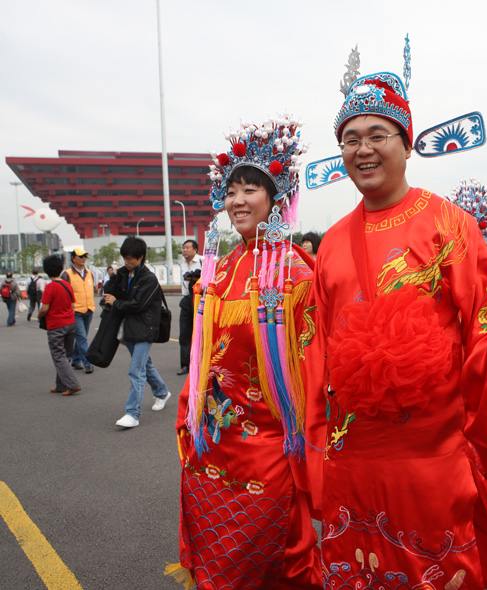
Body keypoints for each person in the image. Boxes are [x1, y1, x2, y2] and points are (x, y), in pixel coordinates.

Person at [309, 72, 487, 589]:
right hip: (353, 447)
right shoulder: (332, 242)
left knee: (437, 566)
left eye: (377, 135)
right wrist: (317, 436)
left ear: (406, 145)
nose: (363, 149)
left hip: (431, 441)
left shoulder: (448, 223)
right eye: (350, 139)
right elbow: (317, 346)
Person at [169, 118, 320, 588]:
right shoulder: (220, 269)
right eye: (231, 190)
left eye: (250, 188)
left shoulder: (296, 274)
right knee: (216, 550)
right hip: (214, 438)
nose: (237, 200)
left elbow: (314, 369)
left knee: (268, 554)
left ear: (275, 199)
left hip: (268, 446)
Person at [104, 237, 171, 429]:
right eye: (124, 258)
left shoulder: (148, 278)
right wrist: (115, 277)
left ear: (140, 257)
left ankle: (132, 413)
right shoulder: (125, 274)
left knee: (136, 371)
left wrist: (115, 302)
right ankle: (162, 391)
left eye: (130, 258)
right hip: (130, 328)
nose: (127, 261)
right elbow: (110, 291)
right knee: (144, 365)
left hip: (145, 330)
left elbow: (138, 304)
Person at [38, 255, 80, 396]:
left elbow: (44, 308)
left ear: (46, 270)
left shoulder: (50, 287)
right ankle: (60, 385)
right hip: (70, 323)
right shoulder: (67, 285)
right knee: (65, 355)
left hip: (56, 325)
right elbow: (73, 305)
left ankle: (73, 385)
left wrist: (39, 316)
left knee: (58, 356)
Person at [61, 247, 96, 374]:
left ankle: (76, 359)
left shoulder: (90, 273)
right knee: (82, 338)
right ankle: (88, 363)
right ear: (73, 258)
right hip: (75, 311)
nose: (83, 259)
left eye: (84, 256)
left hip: (89, 309)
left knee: (82, 337)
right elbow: (63, 293)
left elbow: (93, 289)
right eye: (80, 257)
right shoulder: (67, 274)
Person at [177, 239, 202, 375]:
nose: (184, 250)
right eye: (183, 247)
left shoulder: (203, 261)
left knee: (201, 333)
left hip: (201, 299)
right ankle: (185, 364)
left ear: (195, 249)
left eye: (187, 247)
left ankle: (202, 362)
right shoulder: (182, 264)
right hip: (187, 300)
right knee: (184, 334)